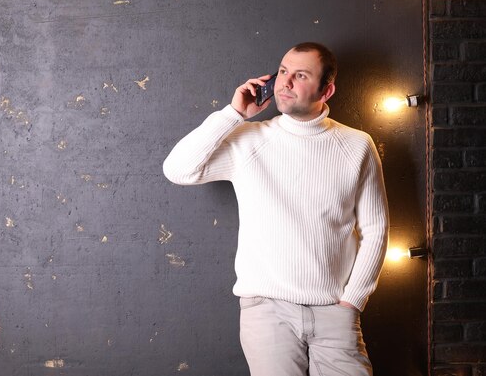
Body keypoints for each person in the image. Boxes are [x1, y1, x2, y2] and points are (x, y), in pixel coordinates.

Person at [162, 42, 389, 376]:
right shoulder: (250, 140)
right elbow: (178, 170)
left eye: (300, 75)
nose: (285, 82)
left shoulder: (356, 145)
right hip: (267, 312)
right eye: (283, 71)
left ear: (327, 90)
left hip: (334, 312)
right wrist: (234, 114)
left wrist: (352, 301)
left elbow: (376, 230)